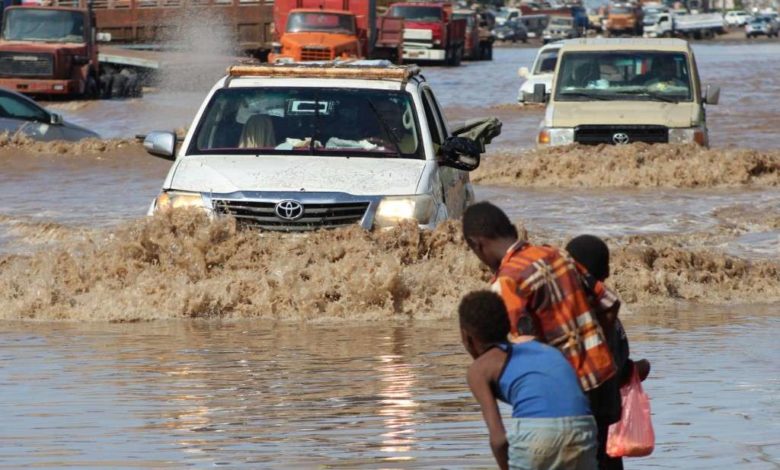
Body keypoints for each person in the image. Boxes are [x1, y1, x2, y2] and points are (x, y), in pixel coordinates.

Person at [461, 201, 619, 469]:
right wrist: (596, 349)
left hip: (565, 393)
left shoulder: (507, 282)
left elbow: (514, 348)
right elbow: (608, 303)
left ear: (478, 245)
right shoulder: (556, 254)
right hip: (603, 379)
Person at [460, 290, 598, 470]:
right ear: (509, 325)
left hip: (538, 436)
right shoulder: (546, 350)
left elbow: (499, 440)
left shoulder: (479, 369)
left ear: (466, 337)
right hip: (583, 429)